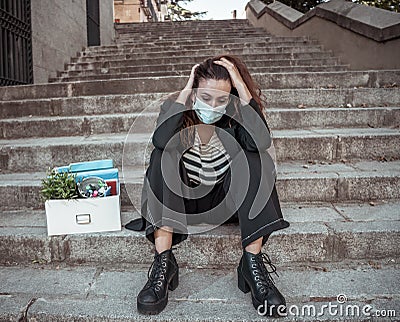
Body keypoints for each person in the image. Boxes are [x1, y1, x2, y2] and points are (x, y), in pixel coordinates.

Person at [125, 54, 291, 317]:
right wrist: (186, 91)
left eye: (222, 99)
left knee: (255, 157)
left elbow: (260, 141)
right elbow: (160, 140)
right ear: (194, 95)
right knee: (162, 154)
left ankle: (252, 265)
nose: (213, 105)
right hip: (184, 202)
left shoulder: (237, 117)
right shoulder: (179, 110)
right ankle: (163, 264)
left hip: (224, 201)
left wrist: (240, 85)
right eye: (206, 97)